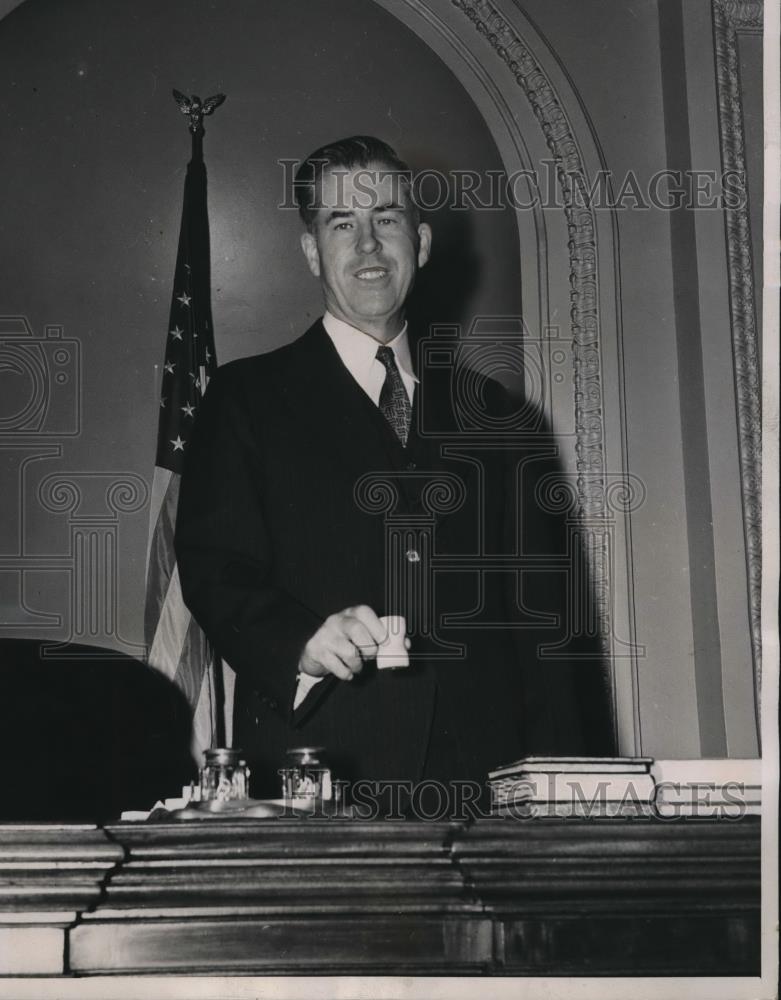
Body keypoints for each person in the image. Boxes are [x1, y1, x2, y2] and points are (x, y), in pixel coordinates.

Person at [175, 135, 614, 805]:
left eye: (386, 219)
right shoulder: (246, 399)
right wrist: (302, 642)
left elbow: (544, 632)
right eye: (340, 224)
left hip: (488, 786)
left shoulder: (499, 417)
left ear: (423, 242)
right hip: (315, 775)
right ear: (311, 251)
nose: (368, 245)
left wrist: (573, 795)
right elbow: (215, 569)